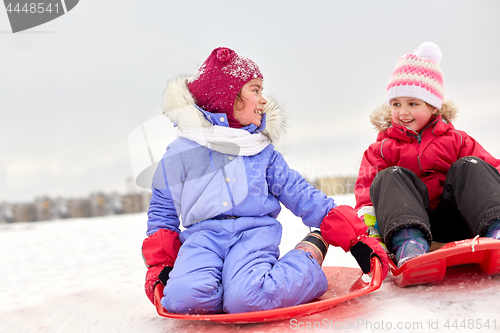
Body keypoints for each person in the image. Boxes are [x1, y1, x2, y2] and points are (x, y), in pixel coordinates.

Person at [141, 47, 388, 315]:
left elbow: (300, 193)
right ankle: (227, 286)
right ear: (229, 97)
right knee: (182, 300)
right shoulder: (181, 152)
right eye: (255, 90)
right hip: (202, 239)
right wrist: (161, 264)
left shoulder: (260, 152)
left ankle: (308, 255)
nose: (263, 100)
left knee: (246, 300)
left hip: (252, 236)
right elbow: (162, 210)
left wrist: (355, 237)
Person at [354, 42, 500, 268]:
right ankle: (409, 244)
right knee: (389, 176)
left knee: (470, 165)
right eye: (396, 103)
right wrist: (370, 234)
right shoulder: (380, 150)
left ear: (433, 107)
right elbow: (367, 199)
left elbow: (491, 173)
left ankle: (496, 228)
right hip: (407, 223)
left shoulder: (457, 140)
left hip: (461, 220)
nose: (403, 112)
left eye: (413, 103)